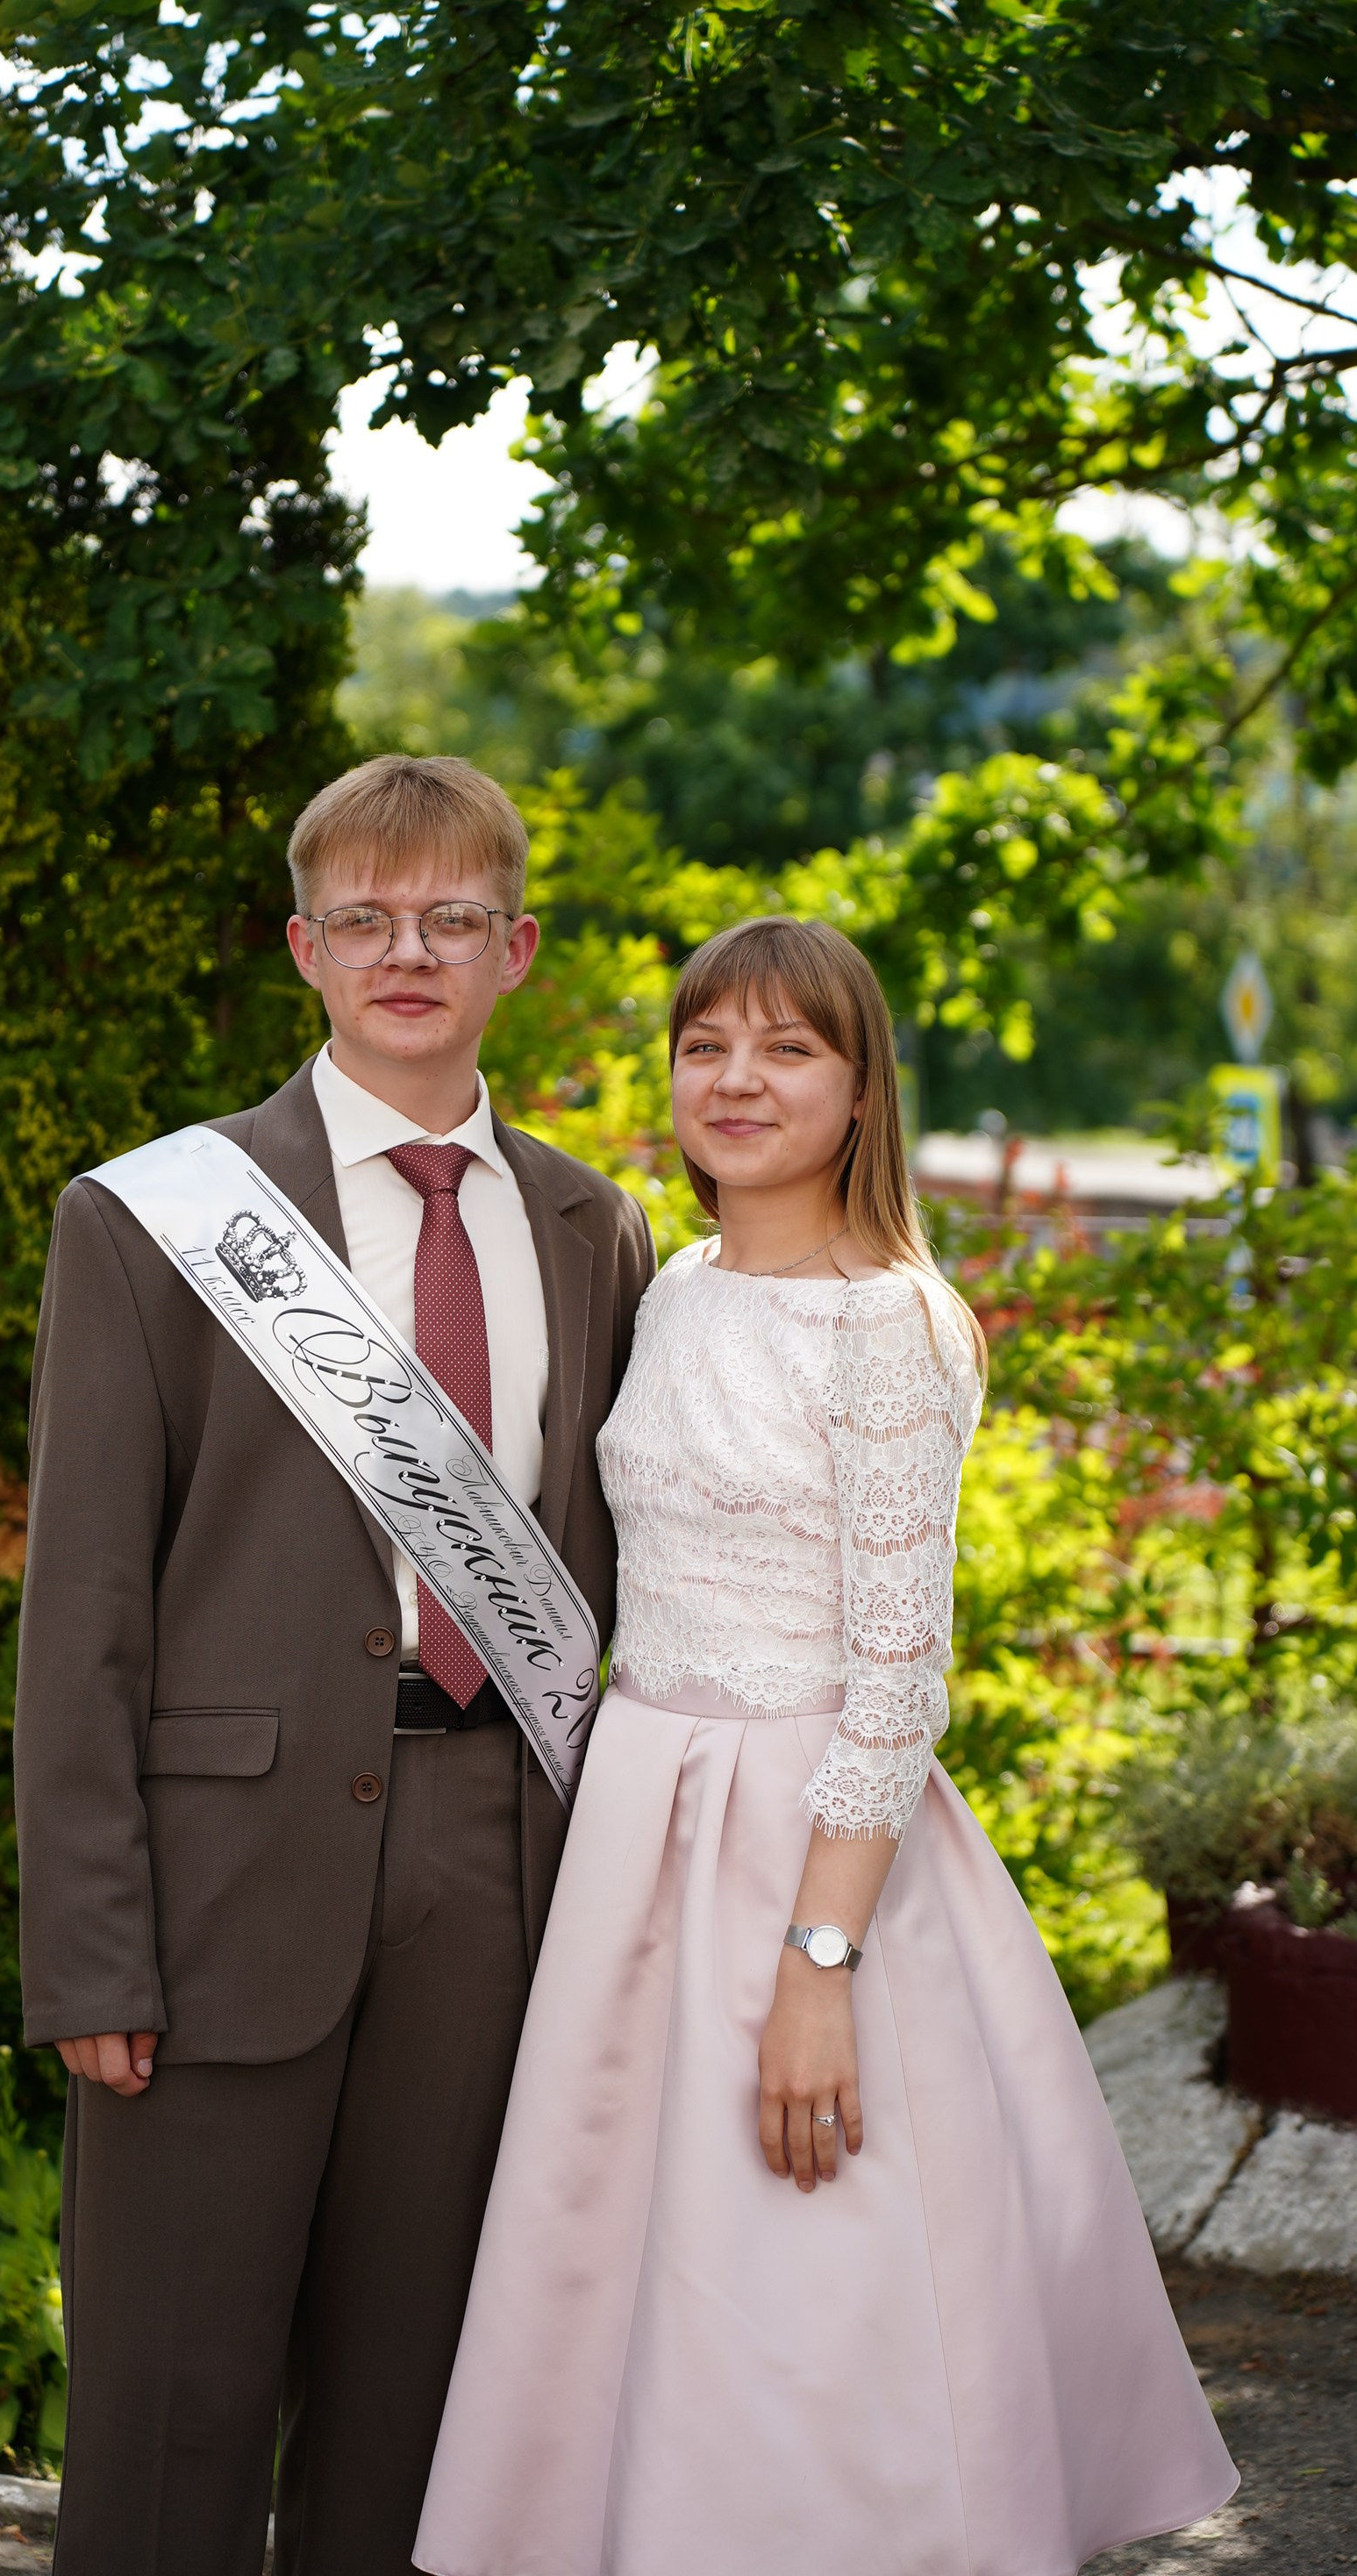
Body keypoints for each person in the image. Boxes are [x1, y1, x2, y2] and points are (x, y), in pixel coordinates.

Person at [416, 915, 1238, 2576]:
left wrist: (816, 1964)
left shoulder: (891, 1329)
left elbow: (895, 1677)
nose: (739, 1080)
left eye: (789, 1049)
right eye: (708, 1044)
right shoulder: (680, 1285)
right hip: (644, 1824)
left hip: (810, 1844)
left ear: (861, 1090)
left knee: (808, 2280)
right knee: (626, 2265)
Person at [12, 754, 656, 2576]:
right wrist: (87, 1945)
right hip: (217, 1887)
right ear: (303, 944)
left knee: (421, 2406)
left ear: (516, 949)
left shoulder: (586, 1226)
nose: (407, 951)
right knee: (167, 2410)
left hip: (489, 1869)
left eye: (452, 919)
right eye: (365, 917)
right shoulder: (152, 1220)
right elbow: (84, 1619)